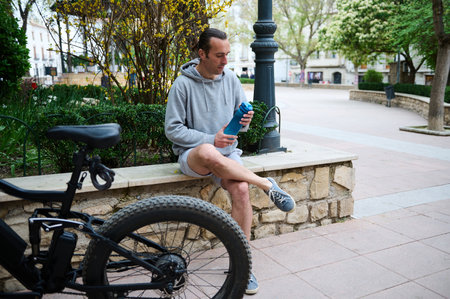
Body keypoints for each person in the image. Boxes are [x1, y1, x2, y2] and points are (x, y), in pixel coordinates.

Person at [164, 28, 296, 295]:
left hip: (229, 155)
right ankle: (267, 185)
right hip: (196, 157)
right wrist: (211, 138)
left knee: (241, 189)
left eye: (227, 55)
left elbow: (239, 126)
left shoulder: (232, 80)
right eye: (219, 55)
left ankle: (242, 267)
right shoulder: (183, 84)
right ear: (202, 54)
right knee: (208, 151)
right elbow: (173, 130)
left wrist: (243, 123)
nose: (225, 61)